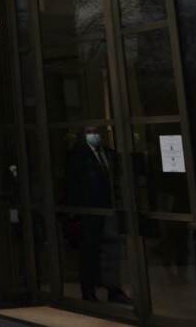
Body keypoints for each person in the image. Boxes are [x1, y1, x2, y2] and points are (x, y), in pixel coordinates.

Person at [66, 126, 131, 304]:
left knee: (112, 250)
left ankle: (113, 288)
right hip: (89, 211)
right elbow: (73, 183)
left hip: (109, 208)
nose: (94, 135)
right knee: (90, 251)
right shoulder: (78, 155)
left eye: (96, 132)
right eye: (89, 132)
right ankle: (89, 290)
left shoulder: (108, 153)